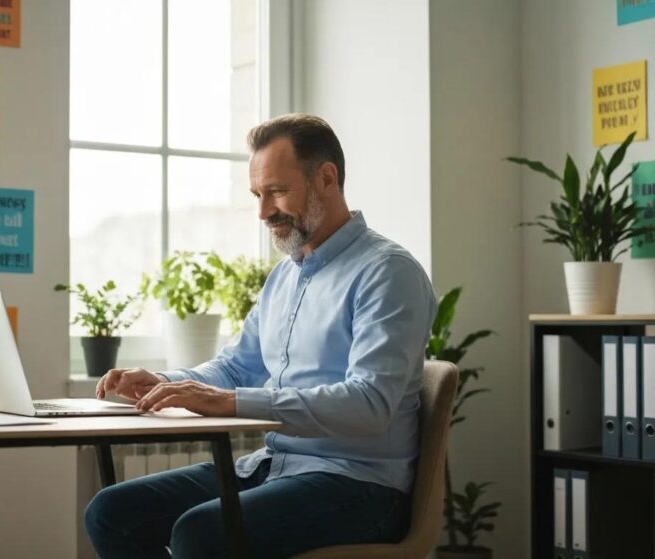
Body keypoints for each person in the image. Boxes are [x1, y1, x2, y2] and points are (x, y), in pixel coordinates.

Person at [83, 113, 438, 559]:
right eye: (257, 194)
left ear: (326, 178)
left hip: (360, 485)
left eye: (277, 191)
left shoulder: (387, 272)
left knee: (201, 533)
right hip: (275, 466)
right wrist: (165, 384)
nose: (263, 211)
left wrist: (229, 402)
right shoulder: (283, 278)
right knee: (112, 512)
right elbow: (237, 367)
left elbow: (369, 404)